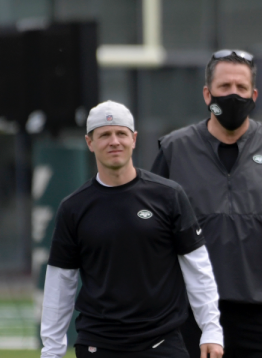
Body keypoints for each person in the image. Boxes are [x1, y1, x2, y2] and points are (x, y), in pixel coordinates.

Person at [151, 50, 262, 358]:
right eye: (224, 87)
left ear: (254, 94)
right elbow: (151, 233)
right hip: (195, 313)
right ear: (208, 94)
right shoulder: (174, 150)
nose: (233, 94)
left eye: (241, 88)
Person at [40, 100, 224, 358]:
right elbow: (60, 283)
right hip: (99, 344)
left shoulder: (169, 196)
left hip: (162, 343)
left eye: (121, 133)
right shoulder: (73, 208)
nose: (114, 141)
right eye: (104, 135)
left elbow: (198, 267)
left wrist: (211, 330)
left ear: (134, 139)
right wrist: (51, 351)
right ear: (89, 142)